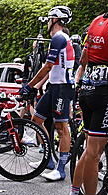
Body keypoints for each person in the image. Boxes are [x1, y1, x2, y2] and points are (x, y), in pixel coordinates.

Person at [64, 10, 108, 195]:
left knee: (90, 149)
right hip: (105, 95)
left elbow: (84, 58)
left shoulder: (97, 21)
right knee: (94, 153)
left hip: (88, 91)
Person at [21, 6, 75, 182]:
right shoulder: (58, 39)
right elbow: (52, 70)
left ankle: (61, 169)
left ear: (55, 21)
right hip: (54, 86)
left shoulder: (59, 38)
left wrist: (30, 85)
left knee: (61, 127)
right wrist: (37, 86)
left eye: (49, 19)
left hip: (63, 87)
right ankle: (49, 161)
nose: (47, 22)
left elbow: (48, 66)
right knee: (36, 120)